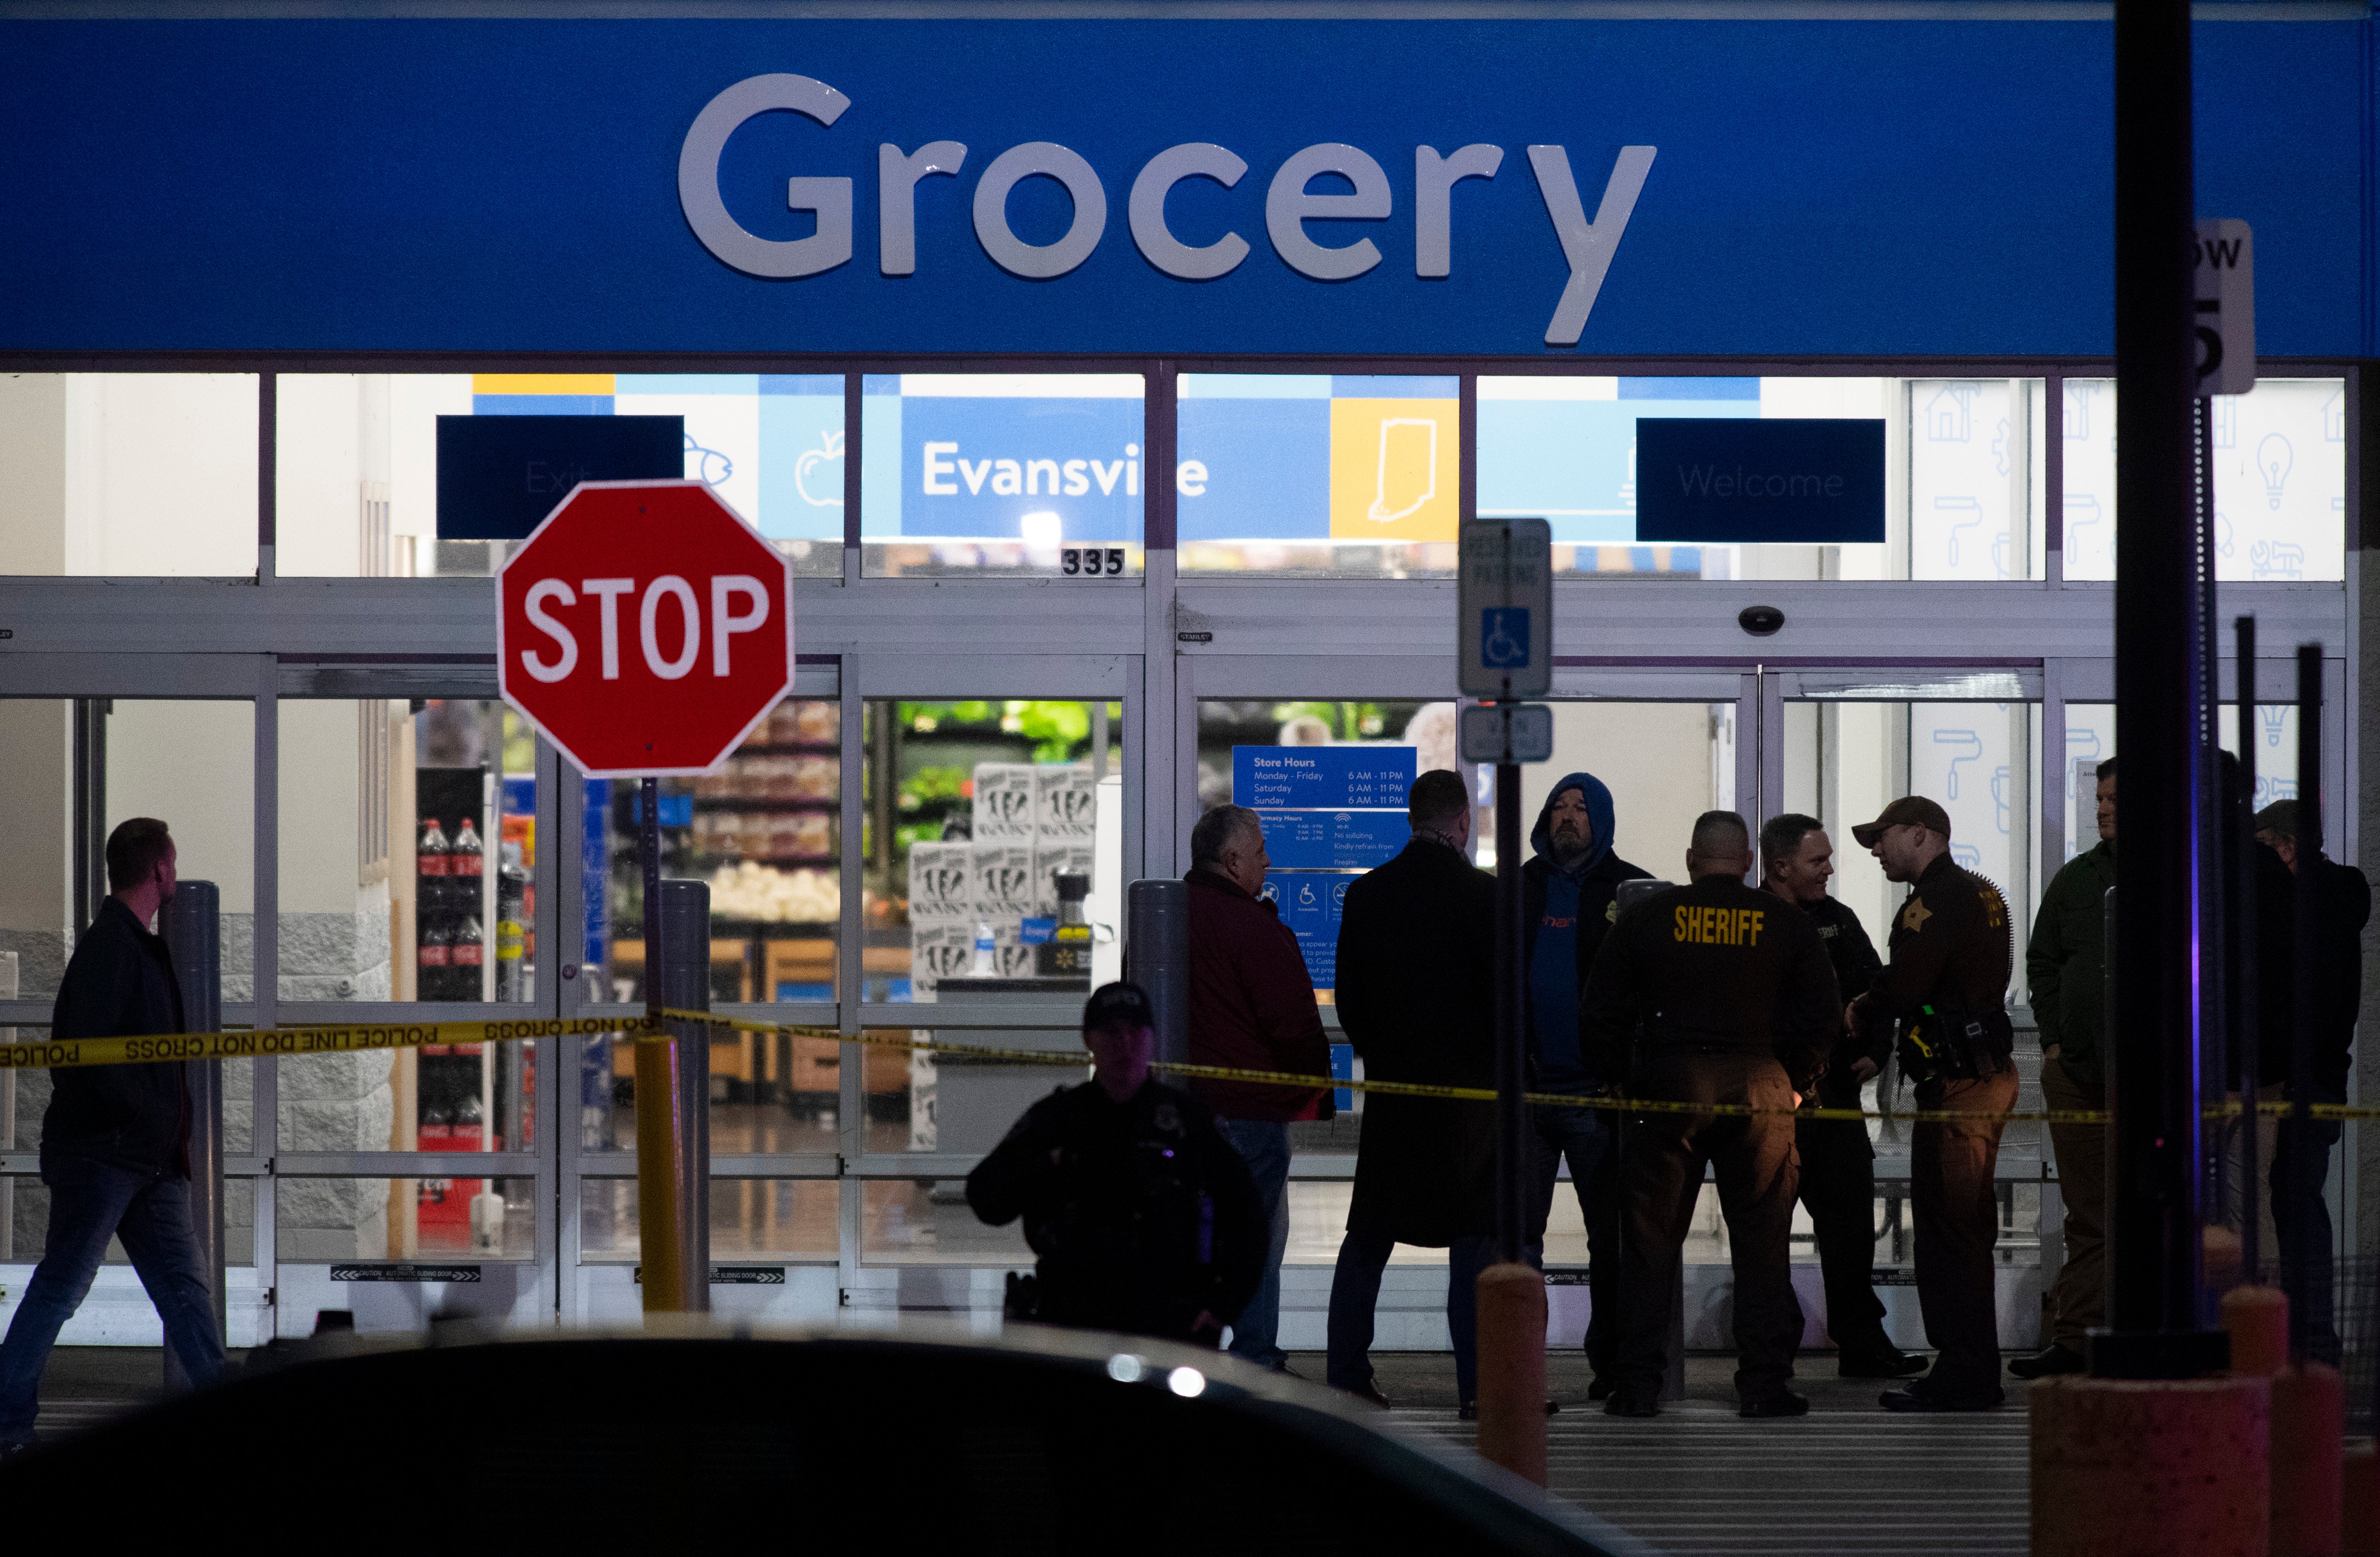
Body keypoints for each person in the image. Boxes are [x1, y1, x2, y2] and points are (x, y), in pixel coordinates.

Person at [1585, 810, 1838, 1419]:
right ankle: (1763, 1384)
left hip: (1670, 1087)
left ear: (1692, 859)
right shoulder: (1785, 922)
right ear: (1748, 860)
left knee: (1648, 1244)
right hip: (1760, 1086)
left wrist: (1618, 1077)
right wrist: (1798, 1080)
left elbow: (1603, 1007)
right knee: (1761, 1244)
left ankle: (1638, 1384)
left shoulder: (1647, 916)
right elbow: (1821, 1011)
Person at [0, 819, 225, 1457]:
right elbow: (80, 1052)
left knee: (184, 1291)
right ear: (158, 870)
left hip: (142, 1160)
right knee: (62, 1288)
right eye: (172, 865)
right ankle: (7, 1419)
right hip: (109, 1158)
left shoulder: (127, 945)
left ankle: (227, 1416)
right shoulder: (112, 948)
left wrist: (147, 1128)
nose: (176, 876)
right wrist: (136, 1114)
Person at [1327, 770, 1500, 1413]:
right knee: (1473, 1240)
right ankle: (1478, 1389)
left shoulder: (1367, 895)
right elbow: (1504, 1003)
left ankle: (1345, 1372)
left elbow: (1350, 1001)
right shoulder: (1486, 897)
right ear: (1460, 822)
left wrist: (1386, 1052)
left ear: (1409, 818)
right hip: (1470, 1103)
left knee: (1369, 1234)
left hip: (1397, 1093)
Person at [967, 982, 1268, 1348]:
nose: (1125, 1044)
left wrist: (1225, 1305)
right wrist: (1047, 1166)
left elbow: (1248, 1216)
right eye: (1111, 1031)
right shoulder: (1060, 1118)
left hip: (1168, 1323)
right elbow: (986, 1197)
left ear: (1152, 1039)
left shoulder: (1185, 1122)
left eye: (1135, 1031)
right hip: (1076, 1320)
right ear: (1089, 1041)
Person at [1845, 797, 2016, 1412]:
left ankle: (1966, 1373)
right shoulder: (1977, 891)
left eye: (1881, 836)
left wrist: (1862, 1004)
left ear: (1921, 833)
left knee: (1951, 1229)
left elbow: (1910, 983)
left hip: (1959, 1084)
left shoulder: (1935, 899)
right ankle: (1968, 1365)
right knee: (1962, 1223)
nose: (1874, 848)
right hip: (1977, 1074)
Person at [1758, 812, 1921, 1379]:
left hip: (1835, 1106)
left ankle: (1862, 1344)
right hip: (1771, 1110)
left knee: (1850, 1231)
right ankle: (1770, 1354)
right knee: (1765, 1238)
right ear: (1779, 867)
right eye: (1816, 860)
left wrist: (1876, 1050)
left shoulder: (1837, 920)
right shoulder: (1752, 923)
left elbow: (1876, 989)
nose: (1829, 869)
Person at [1182, 803, 1335, 1374]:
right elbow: (1291, 1022)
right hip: (1249, 1112)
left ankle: (1190, 1350)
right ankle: (1254, 1358)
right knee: (1257, 1238)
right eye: (1261, 851)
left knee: (1197, 1235)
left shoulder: (1169, 917)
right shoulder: (1250, 925)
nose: (1269, 863)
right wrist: (1313, 1087)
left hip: (1188, 1109)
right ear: (1232, 859)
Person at [1520, 772, 1649, 1399]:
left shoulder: (1630, 890)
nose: (1566, 816)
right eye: (1557, 806)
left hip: (1602, 1097)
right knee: (1518, 1242)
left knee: (1613, 1241)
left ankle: (1615, 1364)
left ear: (1601, 820)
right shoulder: (1519, 888)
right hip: (1530, 1097)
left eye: (1579, 808)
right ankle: (1517, 1368)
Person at [2253, 796, 2367, 1365]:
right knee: (2294, 1200)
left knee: (2293, 1202)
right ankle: (2307, 1336)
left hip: (2301, 1076)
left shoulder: (2312, 904)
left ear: (2287, 846)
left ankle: (2308, 1337)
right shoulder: (2336, 900)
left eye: (2264, 850)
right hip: (2315, 1074)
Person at [2011, 758, 2114, 1379]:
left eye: (2113, 798)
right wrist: (2052, 1040)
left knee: (2146, 1210)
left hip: (2154, 1081)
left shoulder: (2178, 874)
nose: (2101, 808)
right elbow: (2042, 959)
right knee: (2088, 1213)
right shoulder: (2077, 878)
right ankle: (2076, 1336)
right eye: (2098, 798)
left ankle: (2135, 1331)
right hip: (2076, 1068)